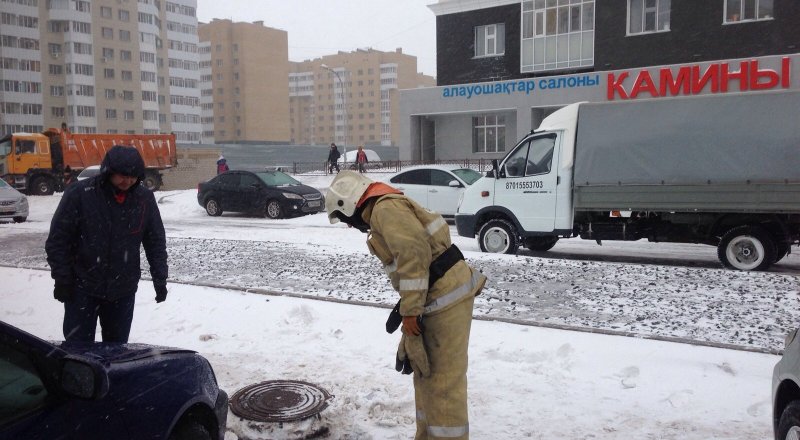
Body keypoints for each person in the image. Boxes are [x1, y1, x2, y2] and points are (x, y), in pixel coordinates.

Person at [325, 171, 486, 440]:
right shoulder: (383, 209)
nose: (350, 226)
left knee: (443, 382)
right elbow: (418, 260)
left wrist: (410, 313)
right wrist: (408, 310)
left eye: (344, 219)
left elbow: (414, 255)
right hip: (436, 294)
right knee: (426, 374)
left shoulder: (385, 209)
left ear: (349, 204)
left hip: (446, 297)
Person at [45, 145, 168, 343]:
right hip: (82, 289)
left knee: (116, 353)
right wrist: (62, 279)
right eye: (122, 175)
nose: (127, 181)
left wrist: (160, 279)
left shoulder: (144, 199)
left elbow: (155, 242)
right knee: (78, 354)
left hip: (123, 292)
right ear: (108, 171)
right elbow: (58, 241)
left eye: (133, 176)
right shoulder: (80, 194)